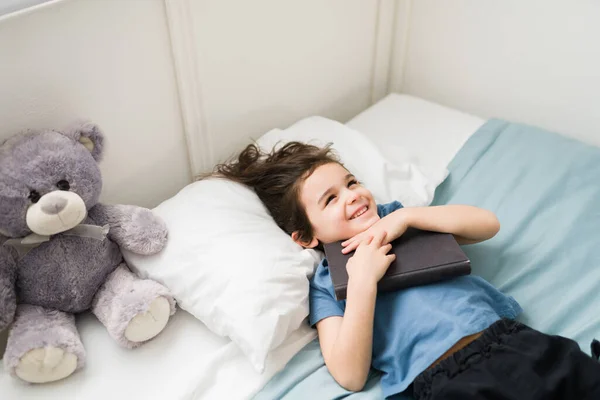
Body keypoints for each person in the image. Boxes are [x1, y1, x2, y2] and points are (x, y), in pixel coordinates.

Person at [210, 141, 600, 400]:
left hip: (511, 342)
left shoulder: (400, 218)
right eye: (331, 199)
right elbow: (349, 374)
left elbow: (487, 224)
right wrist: (362, 282)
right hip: (448, 381)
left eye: (351, 182)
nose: (353, 196)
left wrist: (408, 217)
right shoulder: (327, 285)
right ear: (305, 237)